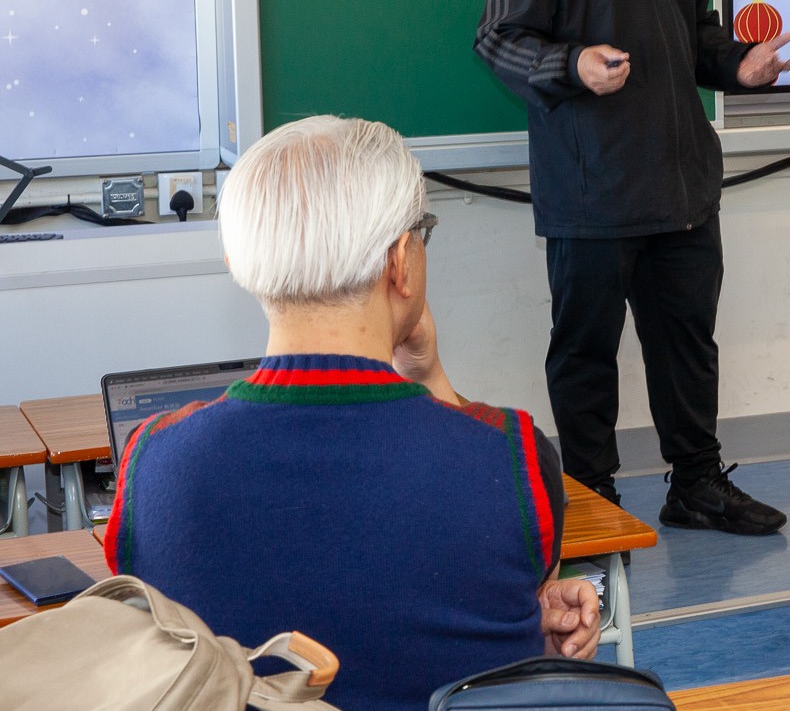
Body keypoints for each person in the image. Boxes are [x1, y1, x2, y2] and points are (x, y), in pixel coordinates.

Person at [104, 116, 600, 711]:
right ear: (401, 261)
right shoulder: (512, 457)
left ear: (239, 260)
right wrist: (431, 378)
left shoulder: (155, 459)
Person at [476, 0, 790, 534]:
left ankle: (697, 484)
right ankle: (591, 498)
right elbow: (499, 40)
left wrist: (739, 64)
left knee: (688, 344)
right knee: (585, 355)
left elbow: (696, 35)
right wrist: (572, 64)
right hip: (592, 192)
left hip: (682, 186)